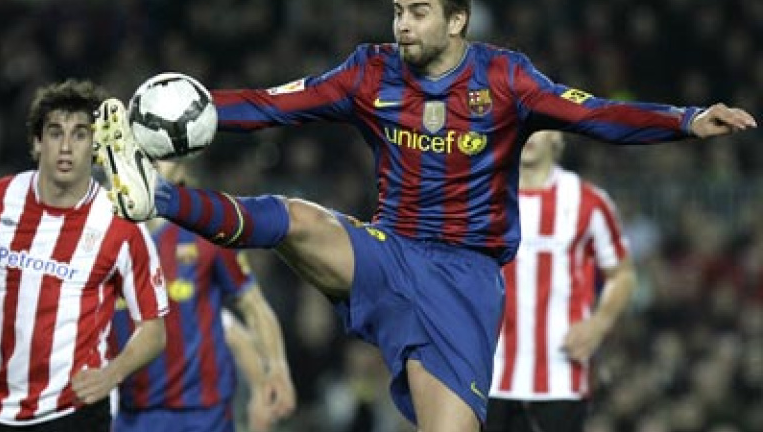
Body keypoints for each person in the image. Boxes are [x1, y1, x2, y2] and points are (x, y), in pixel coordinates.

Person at [93, 1, 757, 430]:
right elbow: (273, 105)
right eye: (397, 11)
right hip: (390, 251)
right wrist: (190, 112)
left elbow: (595, 114)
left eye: (417, 12)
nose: (402, 25)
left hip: (465, 281)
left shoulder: (507, 79)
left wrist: (686, 119)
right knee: (293, 217)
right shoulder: (368, 73)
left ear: (457, 20)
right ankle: (159, 199)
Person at [0, 80, 168, 431]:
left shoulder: (120, 223)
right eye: (55, 133)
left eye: (79, 134)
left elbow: (154, 328)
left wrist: (112, 373)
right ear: (37, 143)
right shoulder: (1, 200)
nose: (65, 147)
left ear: (97, 145)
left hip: (72, 412)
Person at [109, 160, 295, 432]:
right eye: (143, 151)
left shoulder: (206, 229)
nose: (150, 161)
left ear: (182, 167)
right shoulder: (100, 235)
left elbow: (251, 307)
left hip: (203, 416)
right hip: (133, 415)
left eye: (160, 154)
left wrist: (274, 369)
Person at [486, 131, 636, 432]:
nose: (528, 132)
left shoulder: (588, 202)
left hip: (561, 373)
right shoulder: (480, 199)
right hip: (487, 371)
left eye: (539, 124)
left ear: (557, 135)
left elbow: (622, 273)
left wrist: (599, 324)